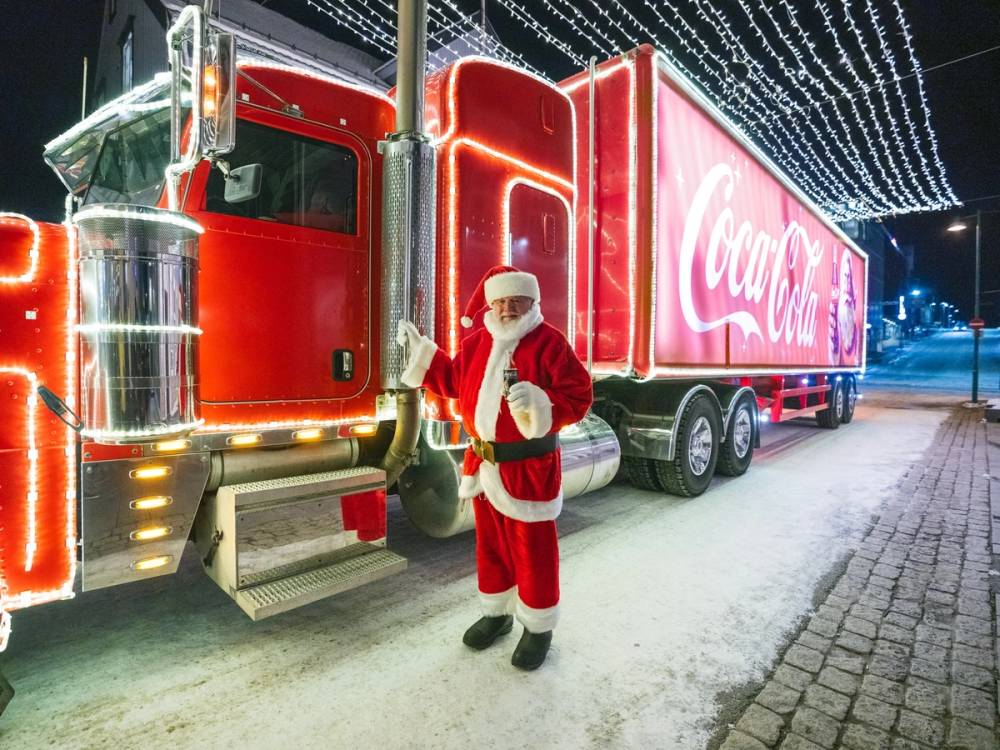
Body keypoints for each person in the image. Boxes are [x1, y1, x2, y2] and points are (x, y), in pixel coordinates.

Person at [397, 265, 592, 670]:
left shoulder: (549, 343)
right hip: (482, 466)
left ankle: (538, 628)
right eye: (501, 300)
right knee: (491, 547)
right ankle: (497, 614)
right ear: (491, 302)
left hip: (528, 470)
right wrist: (423, 354)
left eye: (516, 300)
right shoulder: (475, 344)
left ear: (532, 301)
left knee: (533, 552)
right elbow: (451, 380)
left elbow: (579, 396)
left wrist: (541, 403)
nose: (508, 308)